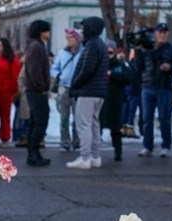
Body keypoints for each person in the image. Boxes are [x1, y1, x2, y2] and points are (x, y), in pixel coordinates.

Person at [65, 16, 109, 170]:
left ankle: (84, 157)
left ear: (91, 28)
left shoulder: (91, 45)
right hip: (98, 91)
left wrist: (75, 85)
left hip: (88, 91)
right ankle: (95, 156)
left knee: (84, 124)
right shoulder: (101, 44)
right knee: (94, 124)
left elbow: (86, 69)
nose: (82, 30)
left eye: (84, 27)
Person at [134, 22, 172, 157]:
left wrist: (170, 67)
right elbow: (138, 67)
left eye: (165, 32)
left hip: (164, 87)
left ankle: (166, 146)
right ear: (155, 33)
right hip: (147, 86)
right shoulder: (146, 48)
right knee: (146, 118)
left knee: (164, 118)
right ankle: (147, 146)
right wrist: (138, 51)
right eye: (160, 32)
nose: (163, 34)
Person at [23, 20, 53, 166]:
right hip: (36, 90)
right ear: (41, 32)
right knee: (40, 121)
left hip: (34, 89)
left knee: (36, 121)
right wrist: (41, 87)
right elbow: (34, 70)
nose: (49, 33)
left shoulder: (36, 46)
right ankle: (33, 152)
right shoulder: (37, 47)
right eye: (47, 31)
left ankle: (34, 152)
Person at [50, 28, 83, 152]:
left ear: (77, 39)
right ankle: (65, 142)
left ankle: (77, 142)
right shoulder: (62, 53)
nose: (68, 40)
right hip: (63, 87)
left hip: (78, 87)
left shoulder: (83, 53)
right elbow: (54, 68)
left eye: (71, 38)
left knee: (77, 117)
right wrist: (58, 75)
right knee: (64, 116)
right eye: (67, 38)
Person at [100, 40, 133, 162]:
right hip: (101, 100)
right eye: (106, 52)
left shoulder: (119, 65)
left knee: (116, 128)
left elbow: (128, 77)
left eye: (110, 52)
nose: (108, 54)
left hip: (116, 101)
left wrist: (112, 74)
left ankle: (118, 151)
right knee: (97, 126)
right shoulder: (100, 64)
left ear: (114, 52)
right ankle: (94, 151)